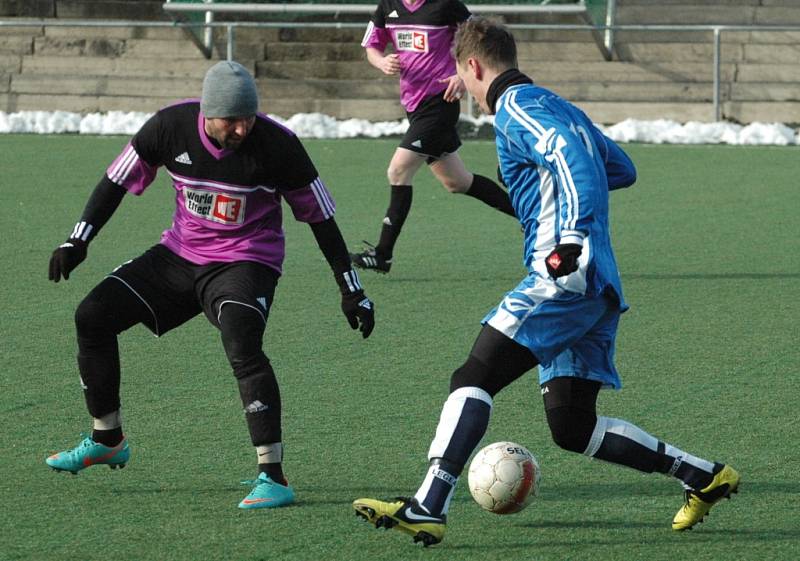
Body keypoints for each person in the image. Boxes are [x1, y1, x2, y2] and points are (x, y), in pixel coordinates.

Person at [352, 18, 739, 546]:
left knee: (473, 375)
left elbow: (567, 154)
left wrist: (570, 234)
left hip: (564, 274)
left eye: (461, 79)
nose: (461, 92)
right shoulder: (555, 103)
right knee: (572, 426)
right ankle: (701, 474)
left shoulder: (515, 108)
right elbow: (620, 167)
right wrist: (562, 199)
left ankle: (428, 505)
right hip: (597, 283)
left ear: (472, 65)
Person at [45, 61, 375, 510]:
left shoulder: (279, 146)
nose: (242, 128)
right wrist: (78, 239)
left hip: (247, 260)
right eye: (230, 120)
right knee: (92, 316)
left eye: (249, 118)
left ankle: (273, 476)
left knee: (241, 337)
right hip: (179, 255)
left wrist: (350, 288)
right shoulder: (169, 127)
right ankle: (107, 438)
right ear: (207, 113)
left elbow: (321, 219)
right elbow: (116, 180)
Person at [350, 0, 516, 274]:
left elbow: (479, 42)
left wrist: (461, 75)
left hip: (441, 102)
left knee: (398, 170)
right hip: (414, 106)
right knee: (458, 182)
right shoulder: (388, 6)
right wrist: (381, 62)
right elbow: (372, 46)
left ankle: (382, 254)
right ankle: (531, 215)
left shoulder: (447, 5)